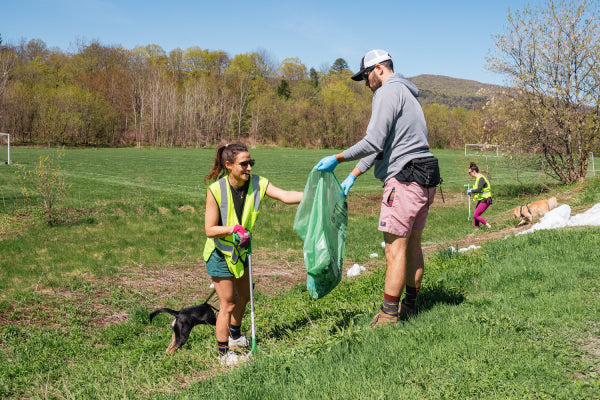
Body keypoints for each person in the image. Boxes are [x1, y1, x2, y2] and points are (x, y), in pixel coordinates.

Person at [315, 49, 440, 327]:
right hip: (426, 176)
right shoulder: (408, 94)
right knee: (413, 247)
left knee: (394, 251)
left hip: (404, 179)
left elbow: (372, 142)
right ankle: (410, 305)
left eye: (366, 76)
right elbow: (383, 146)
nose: (365, 83)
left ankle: (388, 315)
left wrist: (336, 158)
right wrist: (354, 174)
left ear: (379, 68)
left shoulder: (386, 92)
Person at [204, 143, 303, 365]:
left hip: (241, 251)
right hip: (220, 254)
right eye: (244, 164)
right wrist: (232, 229)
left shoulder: (258, 183)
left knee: (245, 296)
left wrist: (312, 195)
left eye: (251, 163)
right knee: (228, 303)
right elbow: (209, 230)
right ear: (229, 165)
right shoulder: (216, 191)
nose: (249, 168)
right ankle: (223, 354)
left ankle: (236, 337)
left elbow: (285, 195)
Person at [467, 162, 492, 229]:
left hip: (486, 199)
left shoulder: (481, 178)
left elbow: (479, 189)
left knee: (475, 215)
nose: (469, 174)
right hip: (482, 199)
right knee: (476, 214)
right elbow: (477, 188)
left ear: (474, 171)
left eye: (470, 172)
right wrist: (472, 189)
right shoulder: (478, 178)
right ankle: (476, 229)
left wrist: (471, 191)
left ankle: (489, 226)